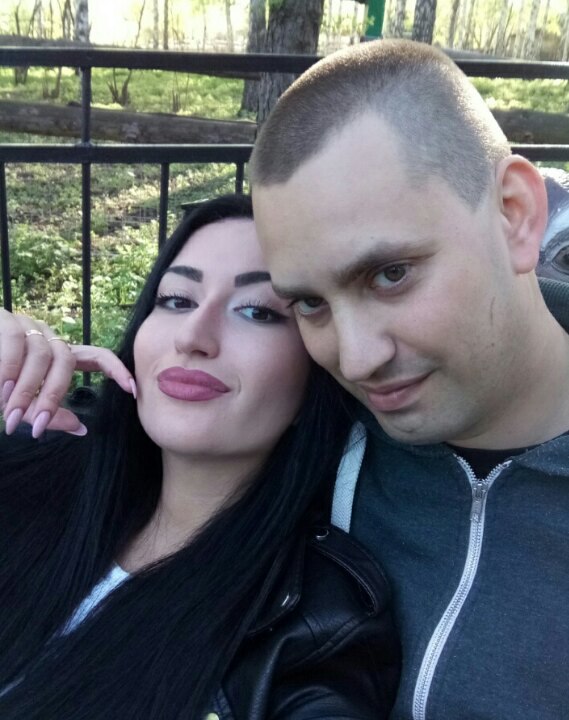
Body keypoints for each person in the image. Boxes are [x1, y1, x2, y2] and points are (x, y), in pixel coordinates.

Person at [249, 40, 569, 720]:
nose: (356, 359)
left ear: (514, 214)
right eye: (309, 303)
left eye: (389, 274)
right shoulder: (312, 431)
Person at [0, 195, 400, 719]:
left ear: (317, 373)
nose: (193, 337)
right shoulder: (33, 462)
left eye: (257, 311)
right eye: (176, 300)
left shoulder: (314, 634)